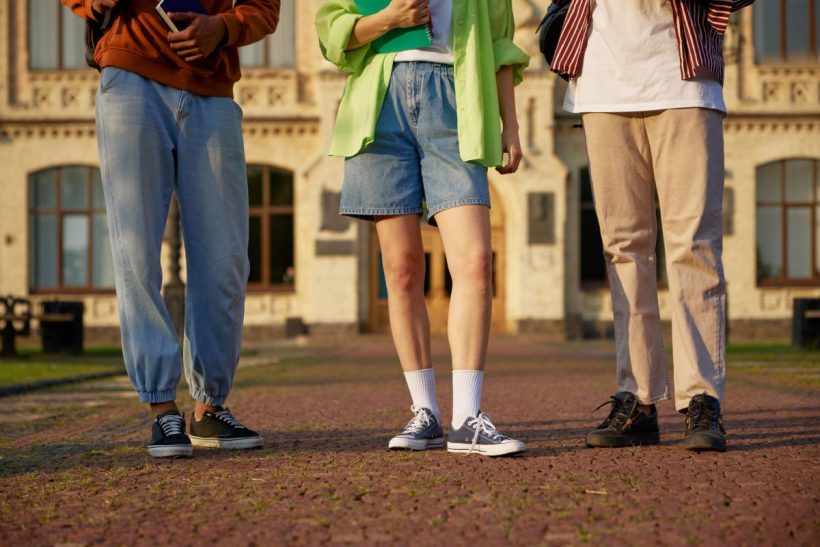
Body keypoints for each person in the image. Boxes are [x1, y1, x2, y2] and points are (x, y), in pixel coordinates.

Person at [63, 0, 281, 457]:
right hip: (130, 77)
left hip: (212, 88)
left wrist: (222, 27)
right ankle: (161, 406)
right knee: (136, 253)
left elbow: (265, 8)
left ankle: (208, 408)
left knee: (226, 258)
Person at [316, 0, 529, 456]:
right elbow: (332, 34)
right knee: (403, 269)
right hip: (379, 103)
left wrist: (511, 124)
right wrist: (389, 19)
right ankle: (424, 412)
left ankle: (468, 417)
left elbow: (501, 45)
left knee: (474, 261)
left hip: (457, 99)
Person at [552, 0, 755, 452]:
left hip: (683, 81)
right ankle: (638, 399)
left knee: (693, 246)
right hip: (602, 84)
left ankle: (702, 396)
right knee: (623, 248)